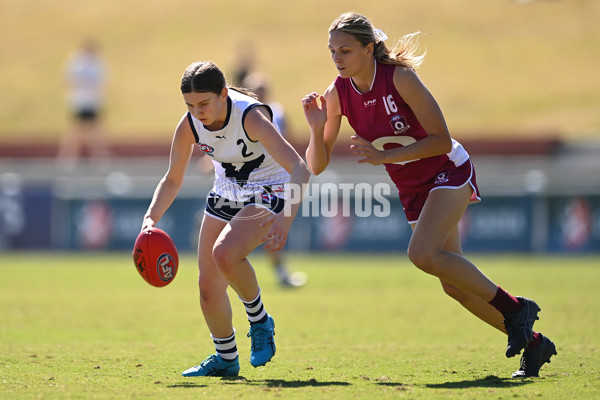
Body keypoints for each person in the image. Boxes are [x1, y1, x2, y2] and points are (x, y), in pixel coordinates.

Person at [302, 11, 557, 378]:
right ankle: (534, 345)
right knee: (455, 288)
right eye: (332, 52)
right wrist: (315, 127)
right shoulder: (336, 94)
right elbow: (316, 165)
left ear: (369, 48)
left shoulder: (400, 78)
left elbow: (439, 139)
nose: (337, 59)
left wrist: (384, 156)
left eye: (344, 50)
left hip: (447, 170)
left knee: (421, 254)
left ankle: (517, 310)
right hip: (413, 188)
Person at [141, 61, 310, 377]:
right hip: (226, 193)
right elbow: (173, 178)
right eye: (190, 105)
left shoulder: (250, 115)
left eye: (204, 103)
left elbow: (300, 168)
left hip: (268, 189)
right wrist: (151, 217)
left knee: (225, 254)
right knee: (207, 286)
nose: (197, 111)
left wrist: (285, 219)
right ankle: (225, 358)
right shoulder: (190, 123)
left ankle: (260, 322)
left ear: (223, 94)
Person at [242, 72, 308, 288]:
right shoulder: (240, 115)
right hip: (245, 180)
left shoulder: (277, 113)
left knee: (270, 228)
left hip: (274, 181)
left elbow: (289, 142)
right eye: (255, 91)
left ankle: (280, 272)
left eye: (262, 90)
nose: (259, 95)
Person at [57, 38, 110, 170]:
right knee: (76, 132)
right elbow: (67, 79)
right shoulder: (76, 62)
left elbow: (102, 83)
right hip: (79, 102)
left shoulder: (97, 63)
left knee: (95, 132)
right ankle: (68, 159)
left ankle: (99, 158)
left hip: (93, 102)